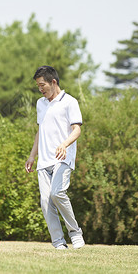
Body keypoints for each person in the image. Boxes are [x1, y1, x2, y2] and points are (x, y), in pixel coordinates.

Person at [25, 66, 85, 250]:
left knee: (57, 193)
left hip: (62, 158)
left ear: (53, 82)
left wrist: (64, 144)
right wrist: (32, 156)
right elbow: (40, 131)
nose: (40, 89)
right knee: (45, 201)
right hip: (44, 161)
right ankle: (58, 242)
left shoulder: (70, 102)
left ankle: (75, 233)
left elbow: (77, 129)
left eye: (42, 85)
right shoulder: (40, 103)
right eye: (38, 86)